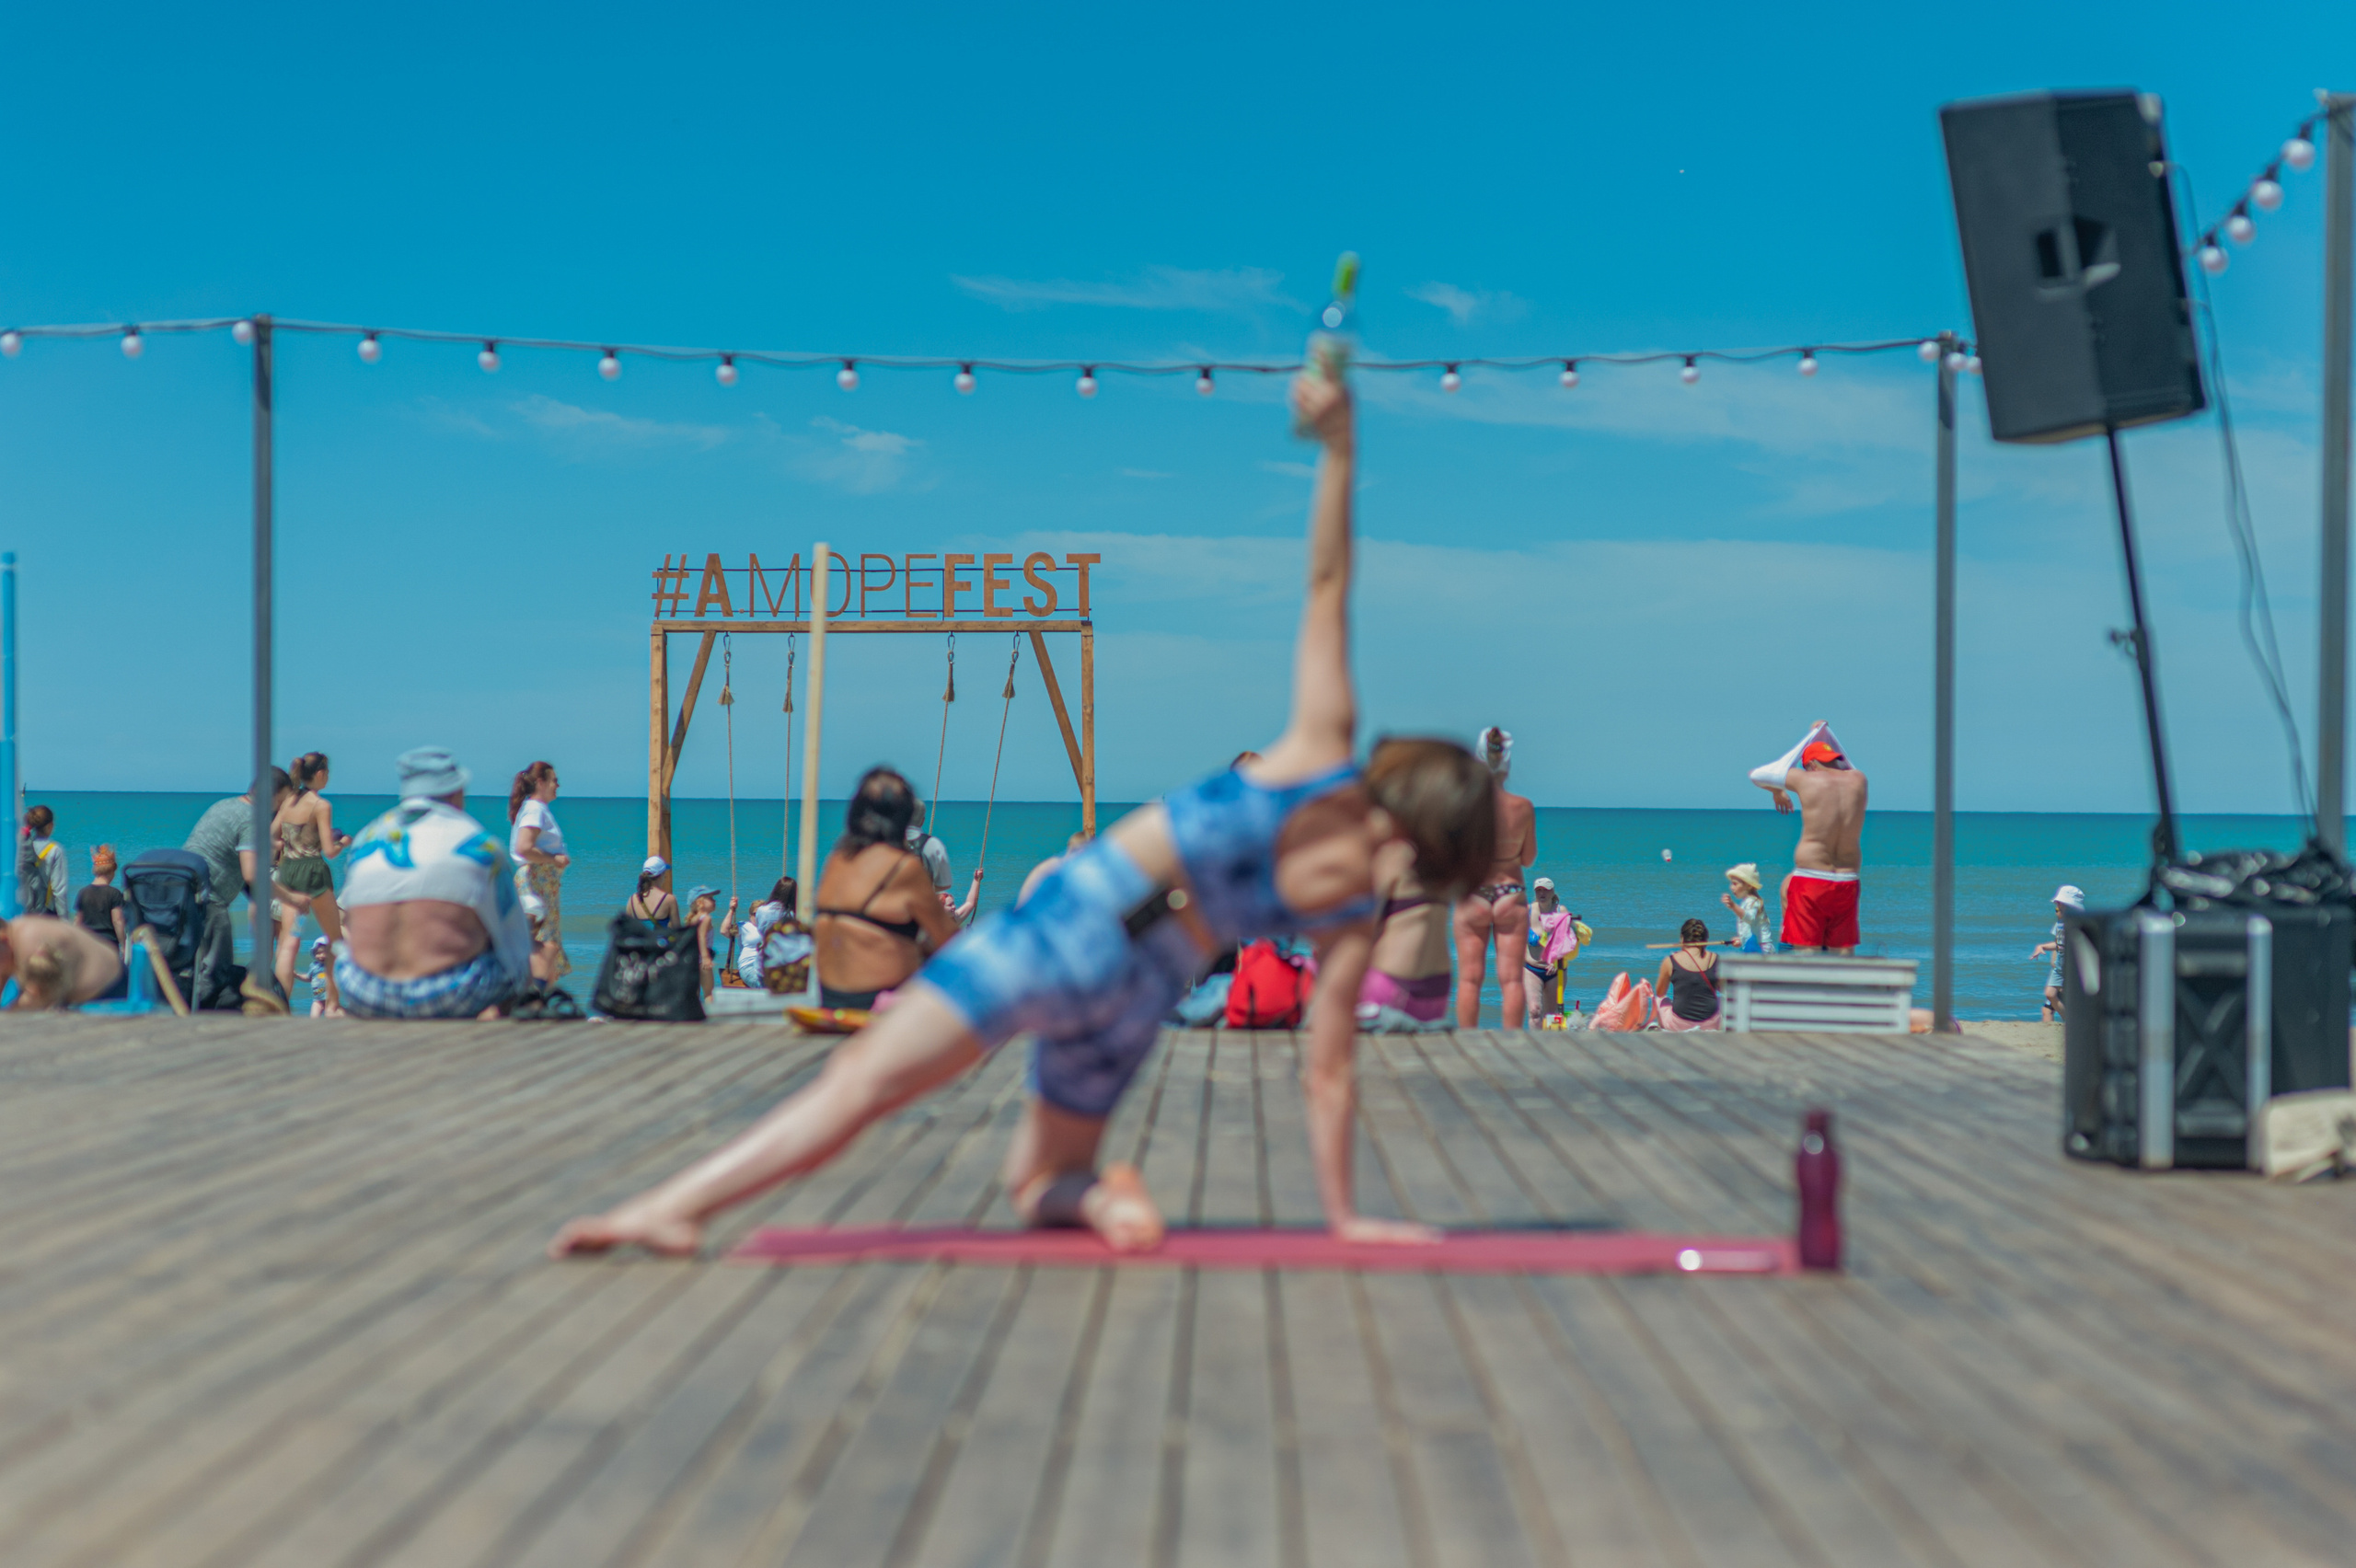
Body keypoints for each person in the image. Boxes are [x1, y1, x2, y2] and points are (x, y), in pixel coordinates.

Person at [552, 369, 1496, 1261]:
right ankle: (1090, 1189)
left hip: (1071, 932)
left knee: (859, 1090)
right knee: (1034, 1181)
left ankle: (665, 1209)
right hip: (1137, 997)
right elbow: (1326, 1074)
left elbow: (1326, 585)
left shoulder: (1318, 759)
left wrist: (1337, 445)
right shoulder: (1344, 912)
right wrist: (1343, 1219)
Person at [335, 747, 531, 1020]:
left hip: (364, 992)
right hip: (444, 997)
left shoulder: (367, 838)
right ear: (457, 791)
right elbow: (515, 945)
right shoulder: (477, 842)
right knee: (508, 953)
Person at [810, 768, 964, 1009]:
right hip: (875, 1000)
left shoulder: (837, 859)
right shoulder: (902, 867)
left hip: (829, 996)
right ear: (904, 816)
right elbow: (949, 938)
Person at [185, 769, 297, 1009]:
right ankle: (199, 1020)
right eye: (282, 800)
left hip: (183, 892)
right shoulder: (252, 818)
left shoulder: (224, 805)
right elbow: (251, 874)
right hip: (209, 900)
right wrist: (291, 897)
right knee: (216, 972)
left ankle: (183, 1009)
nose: (281, 807)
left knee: (191, 967)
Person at [1756, 723, 1867, 954]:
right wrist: (1825, 733)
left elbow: (1759, 775)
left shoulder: (1806, 780)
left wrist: (1778, 791)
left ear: (1810, 766)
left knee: (1807, 960)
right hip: (1847, 879)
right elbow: (1845, 764)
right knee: (1843, 961)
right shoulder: (1859, 781)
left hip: (1811, 878)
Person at [1452, 726, 1535, 1026]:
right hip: (1510, 893)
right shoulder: (1522, 807)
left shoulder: (1464, 805)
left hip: (1473, 892)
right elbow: (1528, 859)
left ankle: (1464, 1049)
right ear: (1507, 763)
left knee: (1469, 980)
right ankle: (1512, 1047)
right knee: (1511, 980)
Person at [273, 753, 349, 1008]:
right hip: (313, 875)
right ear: (320, 774)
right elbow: (329, 851)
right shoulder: (320, 805)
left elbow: (272, 834)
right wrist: (343, 843)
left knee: (288, 943)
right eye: (327, 772)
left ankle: (280, 1006)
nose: (328, 777)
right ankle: (333, 1006)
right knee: (335, 940)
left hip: (289, 873)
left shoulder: (288, 801)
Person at [1355, 867, 1452, 1032]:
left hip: (1392, 986)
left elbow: (1362, 929)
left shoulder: (1393, 856)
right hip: (1437, 990)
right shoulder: (1444, 860)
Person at [509, 761, 572, 985]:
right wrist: (554, 859)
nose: (558, 785)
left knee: (542, 944)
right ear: (540, 782)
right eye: (554, 780)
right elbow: (523, 847)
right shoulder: (535, 809)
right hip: (537, 883)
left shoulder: (534, 808)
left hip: (540, 883)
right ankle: (541, 1004)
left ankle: (540, 1002)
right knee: (543, 946)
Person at [0, 914, 123, 1009]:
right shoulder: (9, 943)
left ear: (3, 939)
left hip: (111, 993)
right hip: (80, 1000)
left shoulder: (28, 940)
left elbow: (37, 998)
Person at [1522, 876, 1581, 1026]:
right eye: (1539, 890)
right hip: (1531, 969)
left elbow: (1571, 939)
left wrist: (1558, 960)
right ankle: (1533, 1046)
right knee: (1535, 1011)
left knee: (1551, 1016)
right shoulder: (1527, 911)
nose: (1542, 894)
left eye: (1546, 890)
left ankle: (1548, 1045)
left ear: (1552, 892)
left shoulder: (1561, 911)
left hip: (1556, 971)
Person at [737, 876, 811, 992]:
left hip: (761, 962)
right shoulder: (793, 914)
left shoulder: (762, 910)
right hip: (783, 964)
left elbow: (761, 930)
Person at [1656, 918, 1723, 1031]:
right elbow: (1722, 989)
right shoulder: (1715, 959)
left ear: (1682, 938)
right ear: (1705, 940)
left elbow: (1660, 992)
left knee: (1659, 1000)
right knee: (1722, 999)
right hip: (1711, 1024)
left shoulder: (1670, 961)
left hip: (1679, 1025)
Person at [2031, 883, 2085, 1021]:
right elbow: (2058, 944)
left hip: (2071, 966)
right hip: (2060, 966)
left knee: (2063, 998)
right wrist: (2042, 947)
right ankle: (2071, 1022)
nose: (2057, 904)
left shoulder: (2077, 922)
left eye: (2060, 902)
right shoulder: (2060, 923)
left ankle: (2074, 1023)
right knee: (2050, 994)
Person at [682, 884, 737, 997]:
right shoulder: (706, 918)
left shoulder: (693, 918)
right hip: (702, 960)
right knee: (709, 994)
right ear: (699, 903)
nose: (714, 901)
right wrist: (706, 958)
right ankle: (710, 1013)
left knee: (694, 994)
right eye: (710, 898)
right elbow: (701, 937)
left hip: (690, 959)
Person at [76, 845, 129, 954]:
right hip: (108, 943)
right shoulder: (114, 893)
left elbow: (77, 922)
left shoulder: (83, 892)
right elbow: (117, 921)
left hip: (88, 942)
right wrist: (124, 945)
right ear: (111, 871)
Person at [17, 805, 67, 917]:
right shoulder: (55, 850)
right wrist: (64, 920)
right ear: (50, 826)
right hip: (46, 913)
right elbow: (59, 891)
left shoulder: (23, 847)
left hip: (25, 908)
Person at [1719, 863, 1774, 953]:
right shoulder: (1746, 902)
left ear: (1748, 885)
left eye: (1735, 884)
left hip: (1761, 948)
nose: (1731, 887)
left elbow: (1749, 918)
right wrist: (1742, 939)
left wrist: (1733, 905)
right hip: (1753, 945)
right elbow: (1750, 928)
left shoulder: (1753, 902)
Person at [625, 859, 678, 928]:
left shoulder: (632, 900)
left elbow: (627, 930)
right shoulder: (669, 899)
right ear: (661, 875)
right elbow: (677, 931)